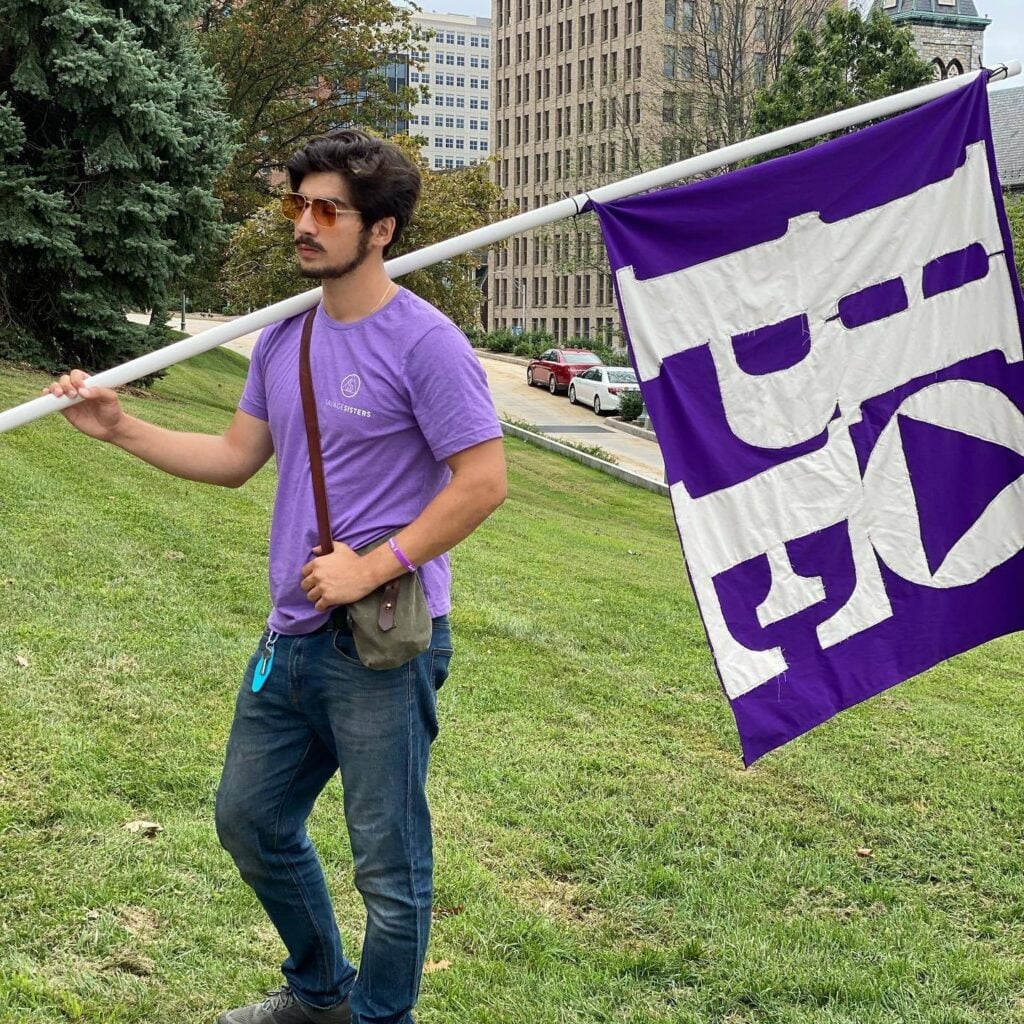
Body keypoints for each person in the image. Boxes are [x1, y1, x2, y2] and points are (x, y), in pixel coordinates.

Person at [45, 129, 507, 1024]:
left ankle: (380, 1017)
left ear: (380, 230)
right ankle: (320, 990)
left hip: (381, 645)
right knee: (249, 822)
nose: (303, 223)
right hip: (291, 635)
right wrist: (117, 430)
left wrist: (374, 562)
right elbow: (232, 457)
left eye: (326, 209)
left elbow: (483, 482)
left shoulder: (426, 344)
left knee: (388, 864)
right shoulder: (283, 339)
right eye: (296, 204)